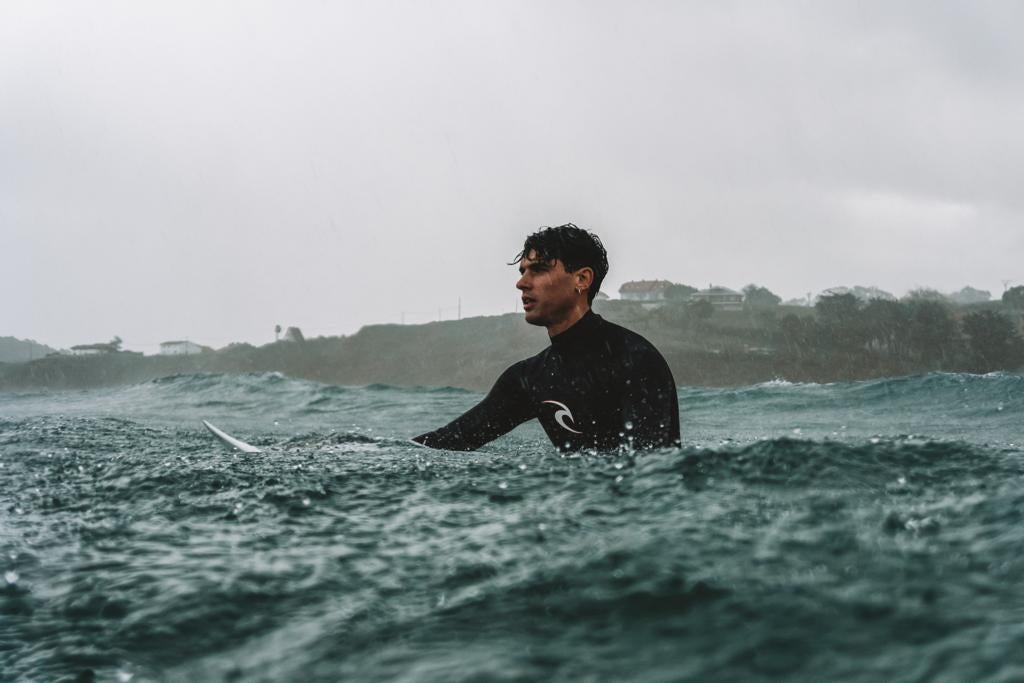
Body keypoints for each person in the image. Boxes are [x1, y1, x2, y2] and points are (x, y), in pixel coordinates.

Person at [412, 224, 681, 452]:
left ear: (582, 278)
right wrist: (374, 451)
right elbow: (442, 443)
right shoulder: (529, 379)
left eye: (538, 269)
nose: (522, 283)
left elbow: (652, 472)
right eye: (522, 272)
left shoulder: (634, 359)